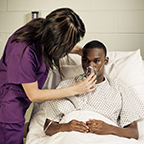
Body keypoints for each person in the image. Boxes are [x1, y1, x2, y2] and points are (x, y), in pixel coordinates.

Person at [0, 8, 97, 144]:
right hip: (8, 108)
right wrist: (75, 89)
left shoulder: (42, 26)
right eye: (67, 46)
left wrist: (80, 50)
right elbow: (33, 95)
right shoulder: (24, 53)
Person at [42, 40, 144, 141]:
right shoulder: (66, 87)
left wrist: (110, 129)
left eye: (96, 61)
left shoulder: (120, 89)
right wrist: (65, 127)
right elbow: (48, 127)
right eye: (86, 60)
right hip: (71, 137)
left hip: (106, 137)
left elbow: (134, 132)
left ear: (106, 61)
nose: (90, 66)